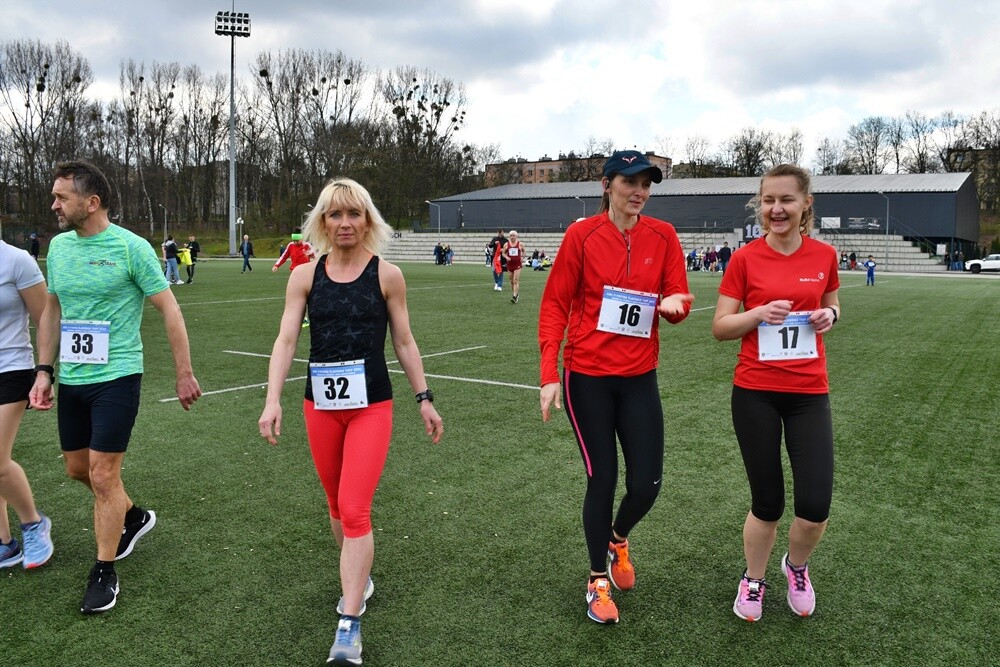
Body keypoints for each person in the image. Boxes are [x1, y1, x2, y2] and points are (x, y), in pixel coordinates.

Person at [258, 177, 443, 665]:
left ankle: (349, 623)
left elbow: (403, 342)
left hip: (371, 407)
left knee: (355, 508)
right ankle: (359, 578)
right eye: (335, 215)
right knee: (336, 506)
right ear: (322, 221)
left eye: (354, 214)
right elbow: (285, 342)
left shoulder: (387, 275)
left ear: (368, 220)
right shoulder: (304, 275)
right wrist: (272, 399)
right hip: (320, 406)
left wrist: (423, 398)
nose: (345, 223)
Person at [29, 159, 202, 614]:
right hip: (74, 379)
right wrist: (44, 370)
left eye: (61, 197)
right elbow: (52, 311)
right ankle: (134, 516)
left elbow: (170, 310)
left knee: (104, 475)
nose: (54, 205)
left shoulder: (131, 248)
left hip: (118, 376)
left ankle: (104, 571)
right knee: (77, 469)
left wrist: (183, 372)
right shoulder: (60, 249)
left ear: (92, 201)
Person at [538, 150, 693, 624]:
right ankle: (597, 580)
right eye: (629, 183)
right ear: (608, 185)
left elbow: (681, 296)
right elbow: (555, 305)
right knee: (601, 477)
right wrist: (549, 375)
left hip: (639, 376)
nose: (639, 192)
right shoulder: (580, 236)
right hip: (587, 376)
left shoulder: (663, 236)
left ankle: (618, 538)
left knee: (647, 484)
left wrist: (674, 306)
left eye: (646, 184)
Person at [711, 164, 840, 623]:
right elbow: (721, 327)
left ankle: (797, 567)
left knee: (814, 507)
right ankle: (754, 579)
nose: (776, 209)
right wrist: (758, 313)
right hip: (755, 394)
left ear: (806, 203)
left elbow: (831, 302)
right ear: (759, 204)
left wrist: (831, 316)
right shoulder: (744, 259)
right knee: (767, 503)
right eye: (768, 200)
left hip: (809, 393)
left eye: (786, 200)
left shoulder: (825, 255)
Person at [0, 238, 55, 570]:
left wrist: (44, 373)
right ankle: (5, 543)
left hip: (11, 368)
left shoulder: (17, 260)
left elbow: (45, 318)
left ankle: (34, 523)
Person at [502, 230, 525, 303]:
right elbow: (503, 253)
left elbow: (524, 251)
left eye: (513, 235)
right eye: (510, 236)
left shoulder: (520, 244)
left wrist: (522, 257)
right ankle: (516, 294)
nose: (512, 237)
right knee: (511, 282)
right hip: (510, 265)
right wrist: (506, 257)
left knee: (515, 280)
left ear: (516, 236)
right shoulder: (506, 244)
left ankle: (514, 296)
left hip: (517, 264)